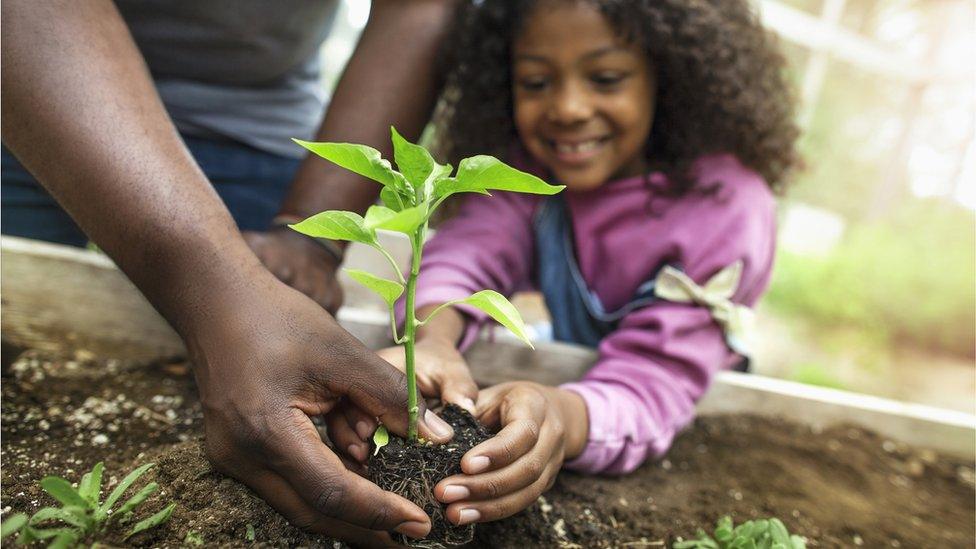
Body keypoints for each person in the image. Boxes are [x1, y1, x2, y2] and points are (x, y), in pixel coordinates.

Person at [2, 1, 461, 545]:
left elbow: (421, 8)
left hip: (253, 126)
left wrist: (306, 238)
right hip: (30, 80)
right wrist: (218, 291)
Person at [329, 0, 800, 528]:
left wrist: (561, 417)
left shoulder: (725, 206)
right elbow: (468, 255)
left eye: (605, 77)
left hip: (676, 395)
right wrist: (433, 340)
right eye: (535, 82)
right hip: (577, 368)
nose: (569, 108)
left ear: (668, 77)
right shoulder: (532, 171)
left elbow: (655, 381)